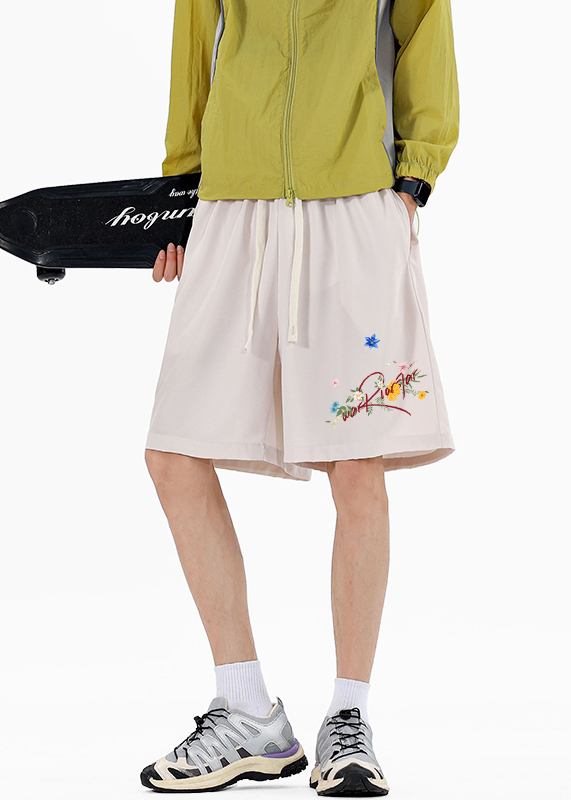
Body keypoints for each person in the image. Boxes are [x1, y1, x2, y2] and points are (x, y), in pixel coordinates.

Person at [141, 0, 459, 794]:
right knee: (173, 454)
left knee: (357, 466)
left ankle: (349, 720)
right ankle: (248, 710)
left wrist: (412, 181)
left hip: (354, 210)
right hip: (231, 209)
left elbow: (426, 30)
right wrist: (176, 195)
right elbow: (194, 51)